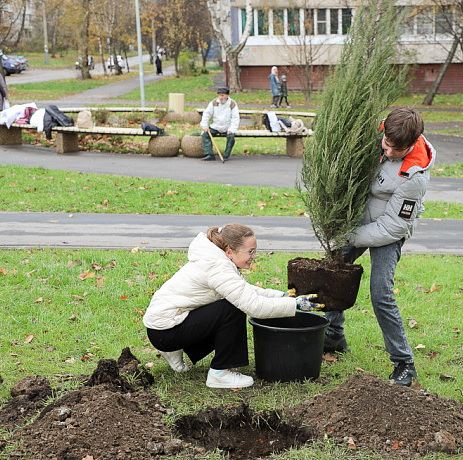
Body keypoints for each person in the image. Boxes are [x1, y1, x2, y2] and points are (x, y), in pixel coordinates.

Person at [323, 107, 435, 388]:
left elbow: (391, 227)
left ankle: (404, 364)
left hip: (388, 230)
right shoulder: (379, 130)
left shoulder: (414, 176)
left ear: (410, 145)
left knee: (381, 292)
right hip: (359, 221)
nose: (388, 150)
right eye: (386, 143)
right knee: (333, 271)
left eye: (397, 150)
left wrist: (349, 235)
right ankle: (334, 335)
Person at [142, 223, 322, 389]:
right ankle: (220, 373)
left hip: (165, 326)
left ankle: (174, 350)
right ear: (230, 252)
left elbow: (245, 290)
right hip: (164, 332)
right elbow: (253, 306)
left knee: (232, 302)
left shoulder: (216, 258)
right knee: (232, 308)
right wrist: (294, 305)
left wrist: (282, 296)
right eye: (250, 252)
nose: (254, 256)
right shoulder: (217, 267)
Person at [200, 87, 239, 161]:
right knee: (205, 134)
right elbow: (207, 114)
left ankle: (226, 155)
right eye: (219, 95)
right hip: (216, 126)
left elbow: (235, 118)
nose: (220, 97)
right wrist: (205, 126)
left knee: (231, 137)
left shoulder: (232, 103)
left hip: (227, 127)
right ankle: (209, 154)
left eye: (222, 95)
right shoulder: (214, 102)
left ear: (227, 95)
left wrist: (231, 129)